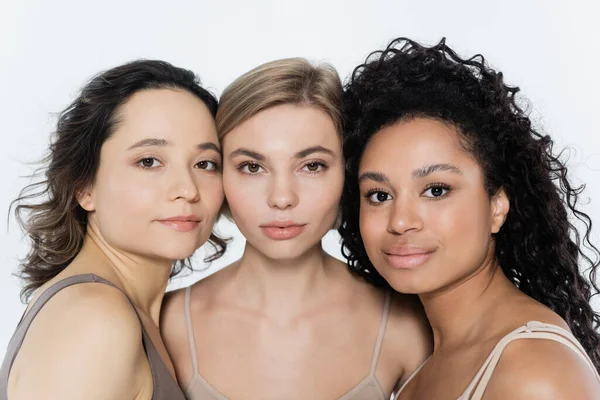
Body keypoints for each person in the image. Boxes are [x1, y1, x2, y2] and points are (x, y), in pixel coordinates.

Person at [339, 37, 600, 399]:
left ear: (497, 206)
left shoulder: (534, 374)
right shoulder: (424, 359)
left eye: (436, 190)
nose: (400, 222)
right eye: (379, 195)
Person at [161, 57, 432, 400]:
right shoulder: (165, 324)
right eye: (252, 167)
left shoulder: (406, 326)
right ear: (219, 174)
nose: (282, 198)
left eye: (312, 166)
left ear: (346, 172)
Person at [1, 60, 225, 400]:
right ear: (84, 186)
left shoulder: (143, 314)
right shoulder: (94, 320)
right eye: (149, 161)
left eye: (205, 164)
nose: (188, 189)